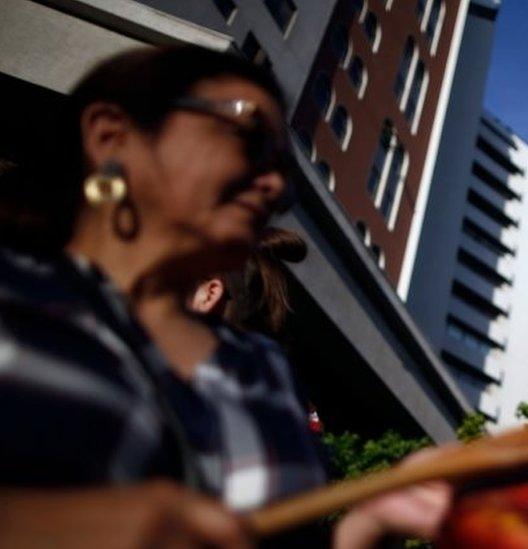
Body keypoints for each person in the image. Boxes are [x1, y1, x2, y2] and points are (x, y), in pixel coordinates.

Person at [0, 45, 447, 548]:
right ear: (111, 136)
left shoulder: (260, 369)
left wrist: (369, 519)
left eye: (279, 163)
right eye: (245, 136)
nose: (276, 183)